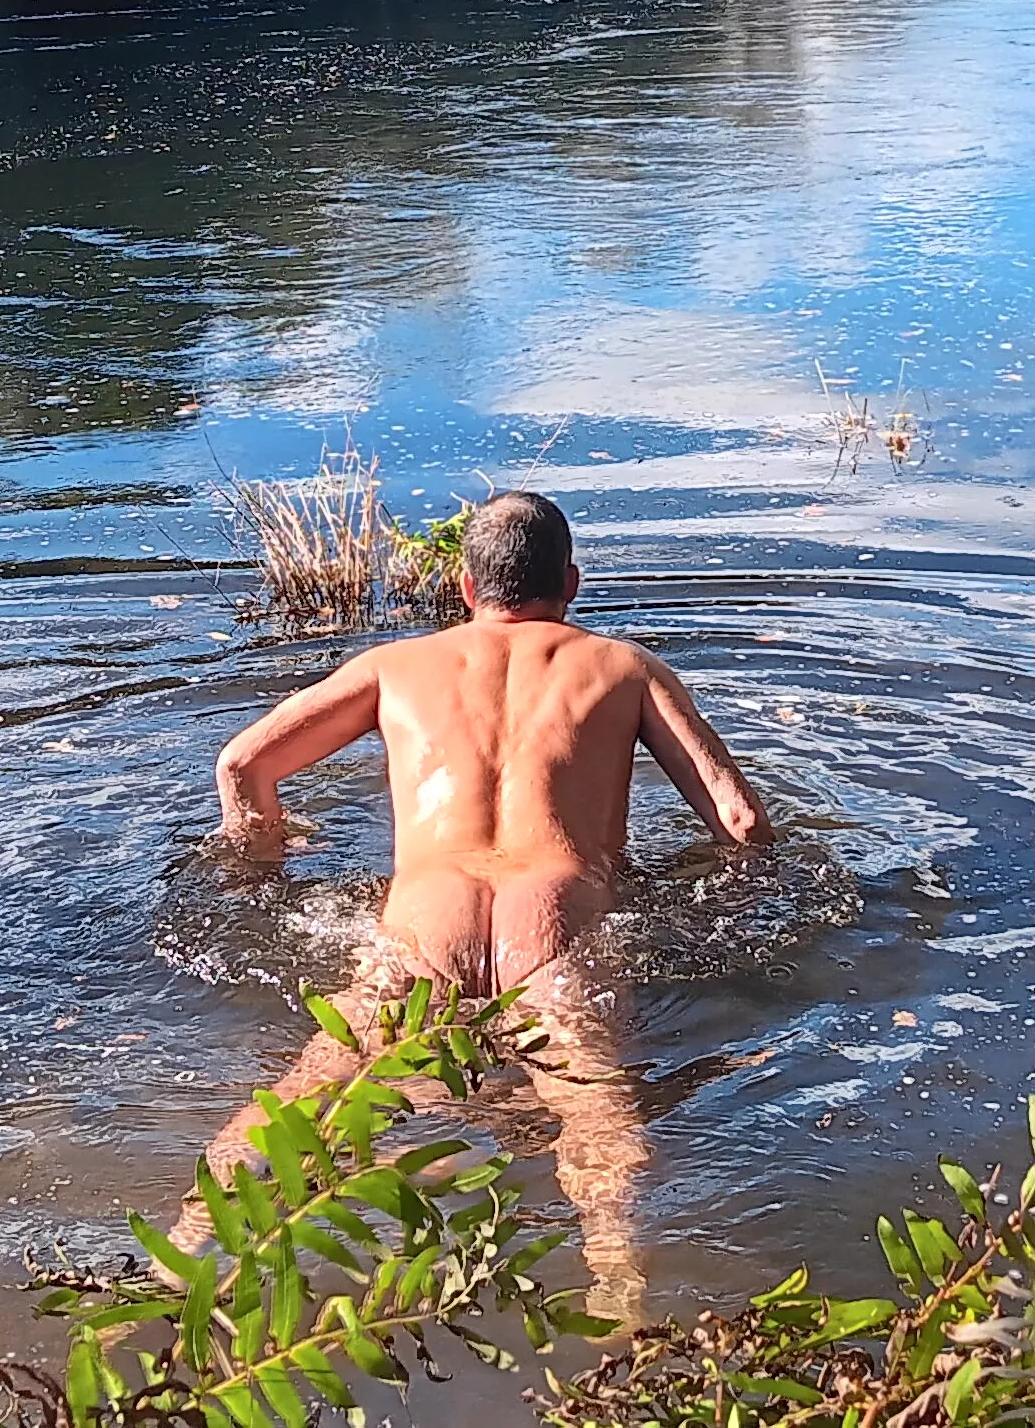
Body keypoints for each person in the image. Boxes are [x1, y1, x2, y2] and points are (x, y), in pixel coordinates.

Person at [182, 490, 773, 1315]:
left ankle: (178, 1264)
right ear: (571, 582)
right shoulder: (625, 667)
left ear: (464, 589)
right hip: (558, 912)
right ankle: (618, 1287)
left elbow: (242, 766)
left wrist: (261, 867)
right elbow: (739, 821)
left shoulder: (393, 667)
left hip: (427, 911)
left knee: (308, 1092)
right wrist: (740, 914)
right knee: (593, 1100)